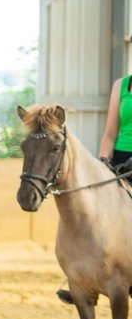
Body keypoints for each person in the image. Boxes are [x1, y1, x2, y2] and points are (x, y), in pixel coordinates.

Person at [56, 73, 132, 305]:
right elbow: (110, 133)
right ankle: (79, 277)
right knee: (86, 209)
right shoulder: (121, 86)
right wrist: (103, 161)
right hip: (119, 160)